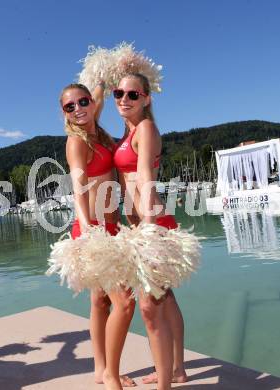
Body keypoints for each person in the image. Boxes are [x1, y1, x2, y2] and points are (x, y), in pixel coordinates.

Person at [112, 73, 188, 390]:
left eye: (133, 95)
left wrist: (150, 231)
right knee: (164, 298)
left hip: (151, 224)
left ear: (146, 98)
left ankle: (166, 382)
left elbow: (144, 177)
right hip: (140, 224)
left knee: (149, 307)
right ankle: (177, 369)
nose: (124, 99)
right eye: (119, 93)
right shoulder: (128, 131)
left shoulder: (144, 128)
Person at [60, 82, 136, 390]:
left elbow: (101, 93)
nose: (78, 108)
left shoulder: (98, 134)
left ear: (92, 102)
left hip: (110, 228)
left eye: (83, 101)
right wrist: (88, 232)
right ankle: (111, 376)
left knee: (100, 301)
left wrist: (111, 74)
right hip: (93, 230)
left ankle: (100, 368)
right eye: (69, 106)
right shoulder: (76, 142)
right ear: (64, 113)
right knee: (125, 302)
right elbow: (78, 189)